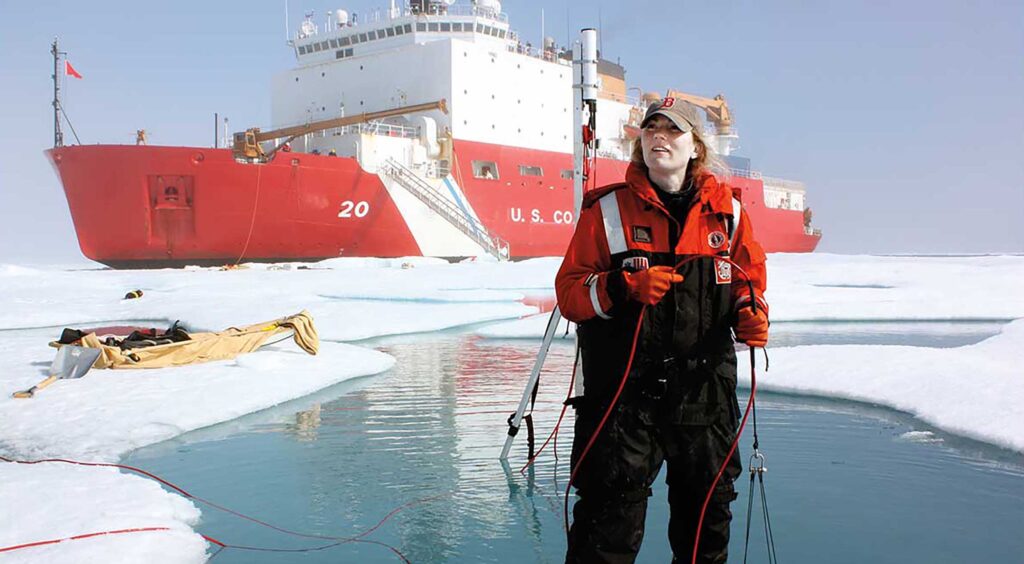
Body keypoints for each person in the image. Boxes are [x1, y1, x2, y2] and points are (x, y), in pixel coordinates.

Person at [555, 98, 769, 564]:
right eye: (650, 129)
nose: (658, 137)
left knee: (705, 532)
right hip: (622, 401)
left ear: (695, 146)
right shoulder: (607, 211)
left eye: (672, 130)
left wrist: (752, 313)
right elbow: (569, 294)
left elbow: (749, 284)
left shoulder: (728, 214)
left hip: (704, 397)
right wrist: (622, 286)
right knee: (605, 531)